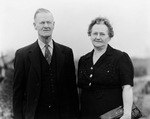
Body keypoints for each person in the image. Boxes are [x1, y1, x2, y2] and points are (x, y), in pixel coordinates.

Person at [13, 8, 79, 119]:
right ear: (35, 25)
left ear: (53, 25)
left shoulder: (67, 53)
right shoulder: (22, 55)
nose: (46, 25)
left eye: (49, 22)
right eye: (42, 22)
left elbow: (72, 91)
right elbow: (17, 93)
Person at [78, 16, 134, 119]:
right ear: (90, 35)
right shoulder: (83, 60)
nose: (98, 37)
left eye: (102, 34)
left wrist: (127, 114)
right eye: (95, 33)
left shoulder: (120, 57)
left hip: (112, 115)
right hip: (86, 115)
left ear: (109, 36)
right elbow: (81, 90)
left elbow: (127, 88)